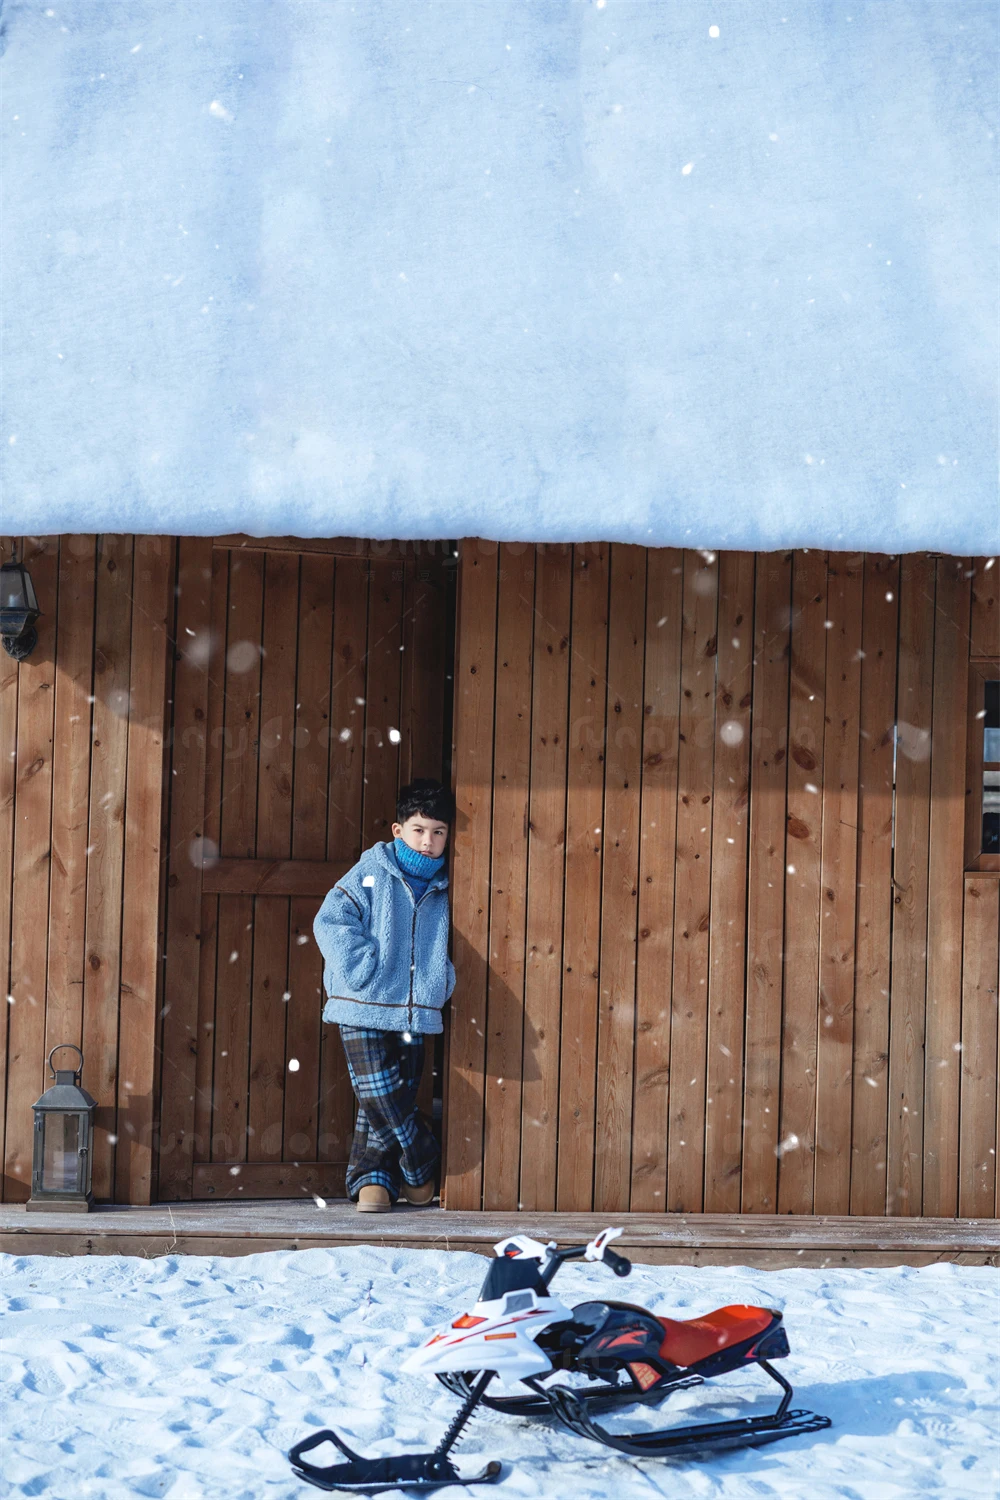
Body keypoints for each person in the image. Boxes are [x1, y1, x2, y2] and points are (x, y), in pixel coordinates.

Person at [313, 779, 456, 1212]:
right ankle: (420, 1162)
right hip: (364, 1003)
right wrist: (361, 968)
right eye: (419, 830)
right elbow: (331, 919)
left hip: (415, 1010)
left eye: (438, 832)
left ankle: (372, 1180)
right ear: (398, 831)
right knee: (380, 1094)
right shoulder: (372, 870)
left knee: (392, 1098)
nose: (428, 841)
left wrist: (438, 980)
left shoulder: (450, 883)